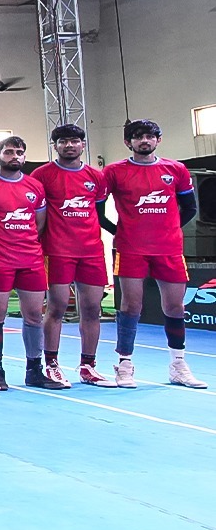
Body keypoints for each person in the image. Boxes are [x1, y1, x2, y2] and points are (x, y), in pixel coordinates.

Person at [103, 117, 203, 387]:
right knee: (130, 305)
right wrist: (119, 231)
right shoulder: (114, 171)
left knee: (175, 306)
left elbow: (190, 208)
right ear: (128, 142)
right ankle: (124, 364)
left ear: (158, 140)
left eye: (149, 136)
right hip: (130, 249)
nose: (144, 140)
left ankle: (178, 365)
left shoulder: (176, 169)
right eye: (138, 136)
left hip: (169, 249)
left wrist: (168, 229)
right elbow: (97, 209)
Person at [31, 123, 113, 386]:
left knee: (92, 309)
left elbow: (99, 215)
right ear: (55, 145)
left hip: (91, 252)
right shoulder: (42, 175)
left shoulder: (96, 177)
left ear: (83, 145)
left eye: (74, 141)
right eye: (63, 141)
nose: (69, 145)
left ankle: (88, 366)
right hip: (57, 251)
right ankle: (51, 365)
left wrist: (121, 232)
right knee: (56, 307)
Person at [0, 136, 53, 389]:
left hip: (30, 259)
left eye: (19, 152)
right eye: (9, 152)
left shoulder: (35, 186)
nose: (15, 156)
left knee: (34, 315)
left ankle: (34, 370)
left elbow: (39, 224)